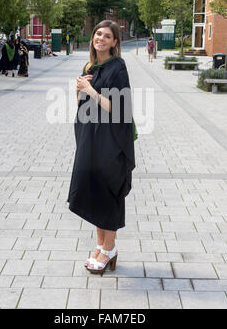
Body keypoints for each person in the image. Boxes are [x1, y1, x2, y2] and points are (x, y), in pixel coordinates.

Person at [68, 20, 136, 275]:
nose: (101, 39)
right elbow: (84, 106)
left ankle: (109, 248)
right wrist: (79, 91)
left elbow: (120, 109)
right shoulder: (90, 65)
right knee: (93, 189)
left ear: (115, 42)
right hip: (91, 139)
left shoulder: (118, 67)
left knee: (108, 191)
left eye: (107, 36)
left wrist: (90, 90)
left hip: (111, 141)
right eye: (98, 34)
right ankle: (100, 245)